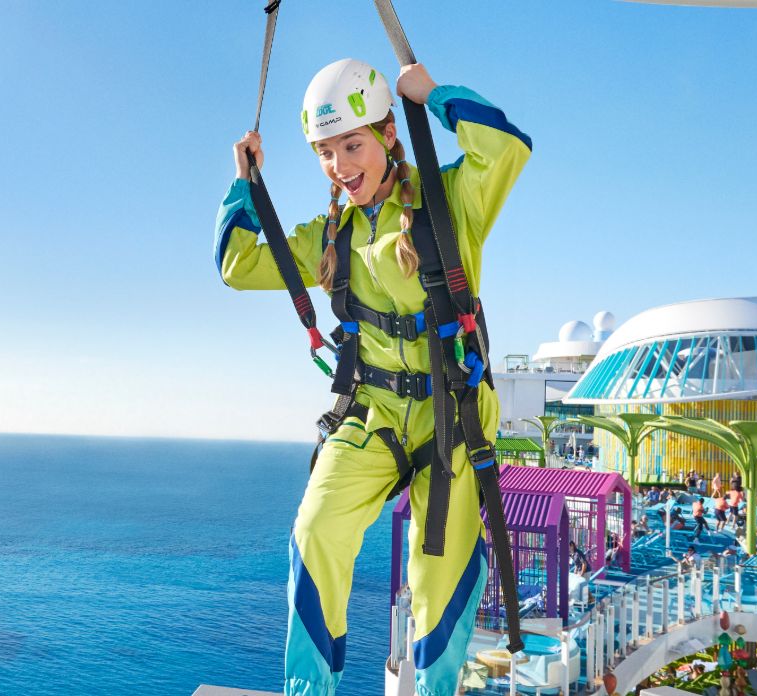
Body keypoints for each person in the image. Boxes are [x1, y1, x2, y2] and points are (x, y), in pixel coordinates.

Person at [219, 57, 531, 696]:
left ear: (389, 135)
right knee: (316, 528)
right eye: (325, 152)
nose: (339, 166)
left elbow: (506, 148)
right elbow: (238, 264)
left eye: (352, 145)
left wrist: (434, 96)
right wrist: (244, 183)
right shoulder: (331, 236)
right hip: (374, 412)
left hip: (453, 415)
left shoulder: (449, 201)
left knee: (437, 572)